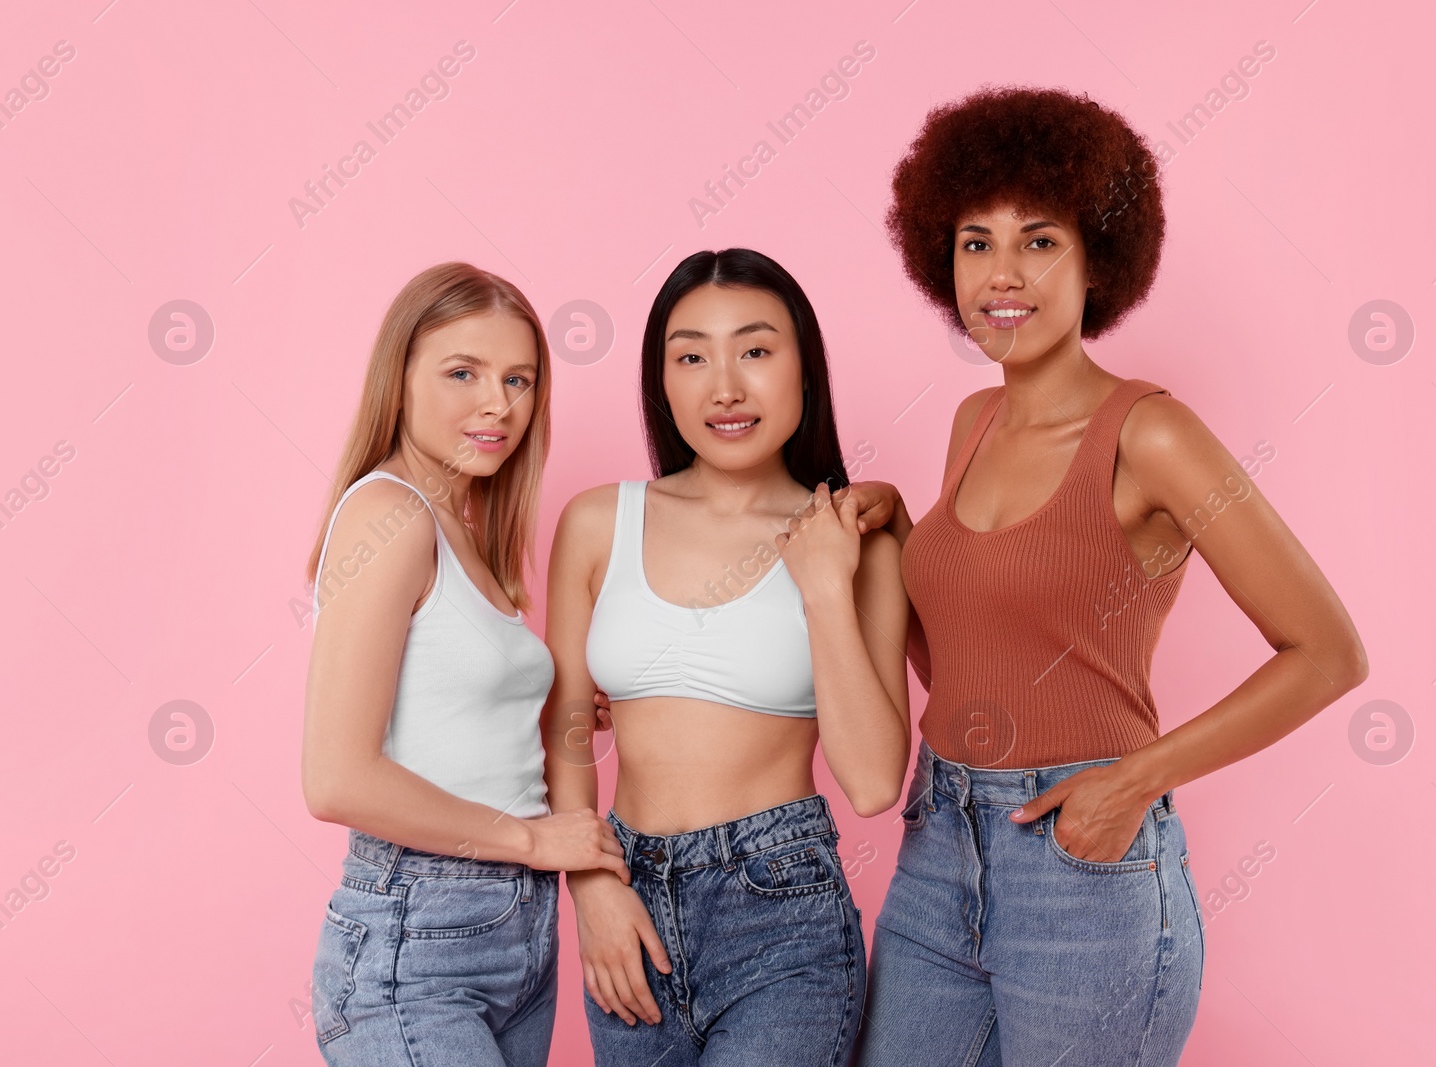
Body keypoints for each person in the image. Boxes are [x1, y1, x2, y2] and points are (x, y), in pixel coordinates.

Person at [847, 88, 1370, 1066]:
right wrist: (895, 539)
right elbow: (970, 657)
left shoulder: (1151, 433)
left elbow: (1328, 652)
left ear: (1097, 256)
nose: (1001, 274)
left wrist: (1136, 778)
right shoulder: (973, 421)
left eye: (1037, 240)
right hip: (937, 842)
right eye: (974, 242)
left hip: (1079, 865)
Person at [542, 248, 911, 1066]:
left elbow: (876, 780)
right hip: (628, 898)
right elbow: (568, 725)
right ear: (662, 380)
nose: (725, 387)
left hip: (782, 913)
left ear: (804, 369)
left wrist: (822, 585)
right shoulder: (597, 522)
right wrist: (594, 885)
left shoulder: (855, 543)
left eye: (754, 349)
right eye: (691, 355)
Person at [300, 262, 628, 1067]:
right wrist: (530, 839)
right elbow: (336, 777)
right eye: (463, 372)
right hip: (418, 937)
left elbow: (453, 720)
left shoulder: (467, 530)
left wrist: (567, 698)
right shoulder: (390, 515)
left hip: (512, 931)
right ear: (400, 377)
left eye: (519, 378)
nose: (499, 404)